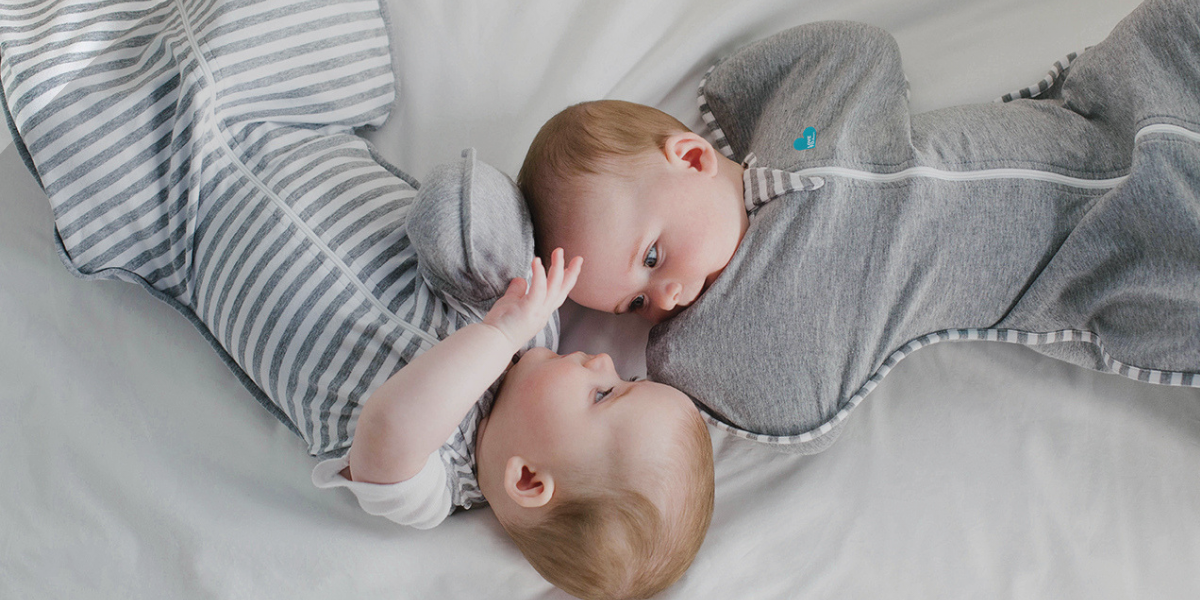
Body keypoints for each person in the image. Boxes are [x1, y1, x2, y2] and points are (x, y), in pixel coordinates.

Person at [517, 0, 1200, 453]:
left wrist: (765, 109)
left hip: (1102, 120)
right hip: (1095, 261)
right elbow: (780, 388)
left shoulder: (805, 132)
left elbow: (857, 54)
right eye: (635, 305)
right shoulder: (763, 315)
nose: (662, 299)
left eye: (652, 256)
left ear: (693, 156)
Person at [315, 249, 714, 600]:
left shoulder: (431, 484)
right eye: (628, 378)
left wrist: (500, 335)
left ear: (527, 480)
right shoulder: (538, 325)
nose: (605, 361)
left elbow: (387, 425)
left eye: (603, 394)